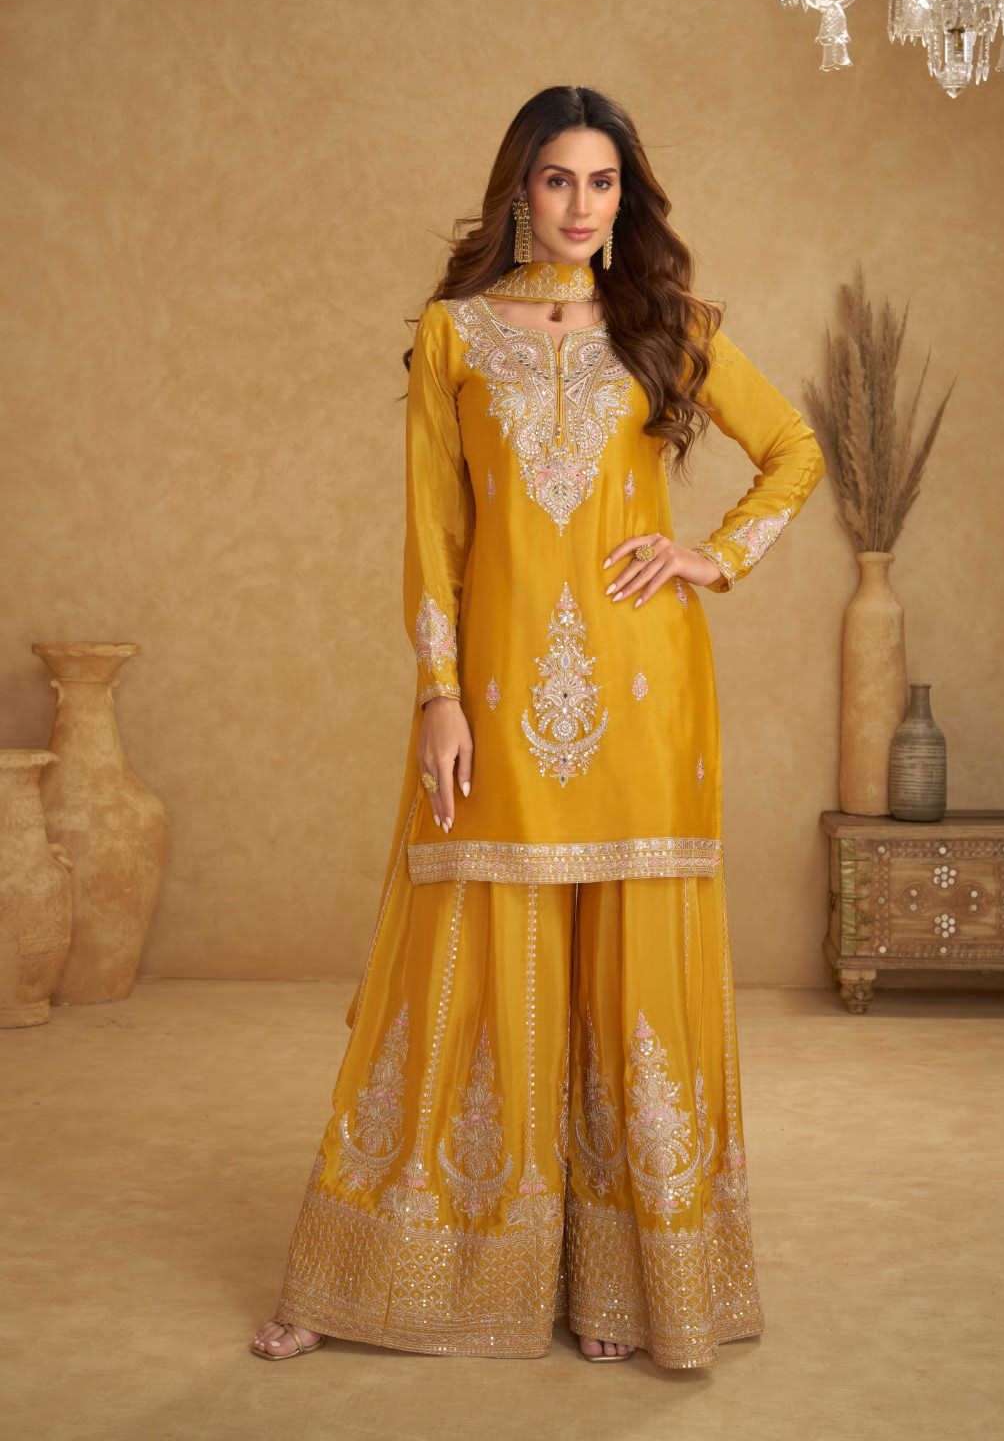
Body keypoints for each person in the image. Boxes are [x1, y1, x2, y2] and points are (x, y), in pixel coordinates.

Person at [251, 84, 826, 1370]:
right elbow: (435, 527)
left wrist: (712, 555)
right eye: (558, 179)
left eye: (602, 182)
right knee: (465, 953)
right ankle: (381, 1271)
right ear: (519, 188)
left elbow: (792, 449)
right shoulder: (454, 334)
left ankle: (627, 1282)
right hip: (501, 694)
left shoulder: (668, 326)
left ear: (626, 197)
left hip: (645, 694)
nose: (581, 205)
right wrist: (438, 692)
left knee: (633, 967)